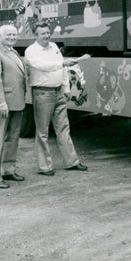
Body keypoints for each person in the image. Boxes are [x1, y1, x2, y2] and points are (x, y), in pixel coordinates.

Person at [24, 21, 90, 176]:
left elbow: (63, 69)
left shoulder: (54, 47)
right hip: (42, 94)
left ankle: (72, 162)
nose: (47, 36)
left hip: (58, 92)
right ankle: (45, 167)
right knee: (42, 132)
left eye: (48, 32)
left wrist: (66, 88)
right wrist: (62, 62)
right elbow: (41, 65)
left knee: (63, 129)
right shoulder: (31, 51)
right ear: (36, 35)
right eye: (43, 33)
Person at [0, 24, 27, 189]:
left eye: (14, 34)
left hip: (16, 103)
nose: (11, 37)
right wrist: (1, 102)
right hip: (2, 105)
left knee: (13, 138)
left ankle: (8, 170)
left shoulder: (12, 51)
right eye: (8, 35)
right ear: (0, 36)